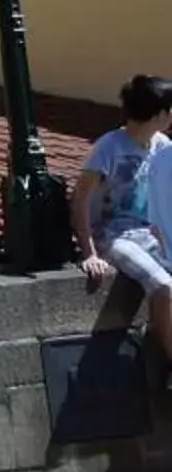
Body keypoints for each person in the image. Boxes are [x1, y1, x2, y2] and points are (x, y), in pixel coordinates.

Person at [76, 75, 172, 349]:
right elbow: (80, 200)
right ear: (160, 114)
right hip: (114, 236)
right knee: (162, 284)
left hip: (151, 232)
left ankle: (157, 333)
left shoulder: (162, 146)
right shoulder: (108, 147)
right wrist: (89, 253)